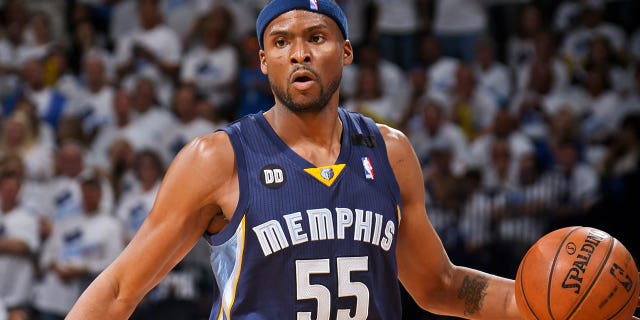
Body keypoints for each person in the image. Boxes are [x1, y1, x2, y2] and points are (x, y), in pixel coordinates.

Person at [66, 1, 559, 319]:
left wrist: (536, 302)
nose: (298, 53)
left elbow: (440, 286)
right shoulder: (217, 158)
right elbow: (117, 292)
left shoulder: (391, 153)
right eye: (281, 42)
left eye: (316, 38)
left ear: (345, 52)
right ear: (263, 62)